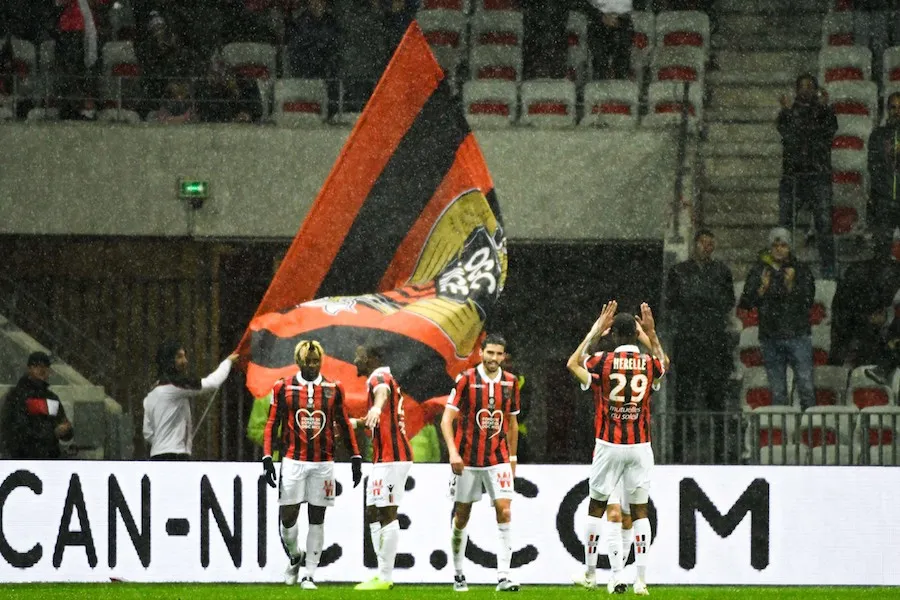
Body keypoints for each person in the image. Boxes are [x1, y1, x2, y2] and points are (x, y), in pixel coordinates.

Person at [567, 301, 667, 596]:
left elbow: (573, 363)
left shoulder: (601, 361)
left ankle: (589, 573)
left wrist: (595, 331)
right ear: (636, 335)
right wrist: (651, 334)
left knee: (596, 507)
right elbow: (664, 365)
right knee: (639, 512)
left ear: (613, 336)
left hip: (609, 443)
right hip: (640, 445)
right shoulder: (649, 364)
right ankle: (641, 581)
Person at [261, 340, 363, 589]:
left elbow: (344, 423)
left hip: (323, 462)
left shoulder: (333, 388)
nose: (312, 365)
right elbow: (272, 422)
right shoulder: (283, 387)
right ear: (299, 361)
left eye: (316, 360)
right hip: (293, 461)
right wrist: (267, 457)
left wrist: (356, 457)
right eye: (308, 360)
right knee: (288, 517)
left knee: (317, 517)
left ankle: (309, 574)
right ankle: (295, 556)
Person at [440, 333, 521, 593]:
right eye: (490, 353)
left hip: (497, 459)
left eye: (499, 354)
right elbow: (446, 420)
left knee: (505, 511)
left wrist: (513, 458)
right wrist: (453, 453)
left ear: (503, 357)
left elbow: (512, 423)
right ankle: (458, 573)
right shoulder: (465, 380)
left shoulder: (510, 383)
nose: (494, 359)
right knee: (462, 517)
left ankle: (504, 576)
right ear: (481, 353)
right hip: (467, 460)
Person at [663, 228, 735, 463]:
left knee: (716, 399)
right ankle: (678, 453)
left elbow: (726, 301)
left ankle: (721, 453)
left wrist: (697, 298)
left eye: (710, 243)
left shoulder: (721, 271)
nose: (707, 247)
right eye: (703, 242)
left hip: (714, 342)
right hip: (688, 341)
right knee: (684, 399)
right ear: (695, 244)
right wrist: (703, 298)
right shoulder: (680, 271)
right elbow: (673, 300)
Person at [353, 342, 413, 591]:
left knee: (387, 512)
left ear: (372, 358)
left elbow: (382, 393)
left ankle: (385, 576)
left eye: (359, 356)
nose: (355, 360)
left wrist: (376, 407)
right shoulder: (383, 376)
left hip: (393, 456)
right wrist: (353, 424)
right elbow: (377, 420)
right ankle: (381, 572)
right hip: (383, 457)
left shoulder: (379, 377)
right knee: (372, 511)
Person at [738, 227, 816, 410]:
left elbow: (808, 300)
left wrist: (791, 286)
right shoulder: (759, 270)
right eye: (775, 245)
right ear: (770, 247)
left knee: (806, 388)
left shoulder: (801, 270)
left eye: (783, 245)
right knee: (778, 392)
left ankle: (810, 434)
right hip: (770, 337)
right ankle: (781, 435)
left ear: (790, 247)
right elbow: (746, 303)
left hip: (798, 335)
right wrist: (762, 289)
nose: (779, 249)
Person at [776, 73, 838, 278]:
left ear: (815, 89)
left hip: (818, 176)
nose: (805, 89)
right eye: (801, 86)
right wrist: (786, 111)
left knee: (824, 224)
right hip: (793, 176)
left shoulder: (824, 112)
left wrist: (823, 108)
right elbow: (786, 132)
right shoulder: (788, 112)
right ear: (796, 90)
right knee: (785, 224)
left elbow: (829, 130)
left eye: (810, 86)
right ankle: (781, 267)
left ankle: (828, 272)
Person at [142, 341, 237, 460]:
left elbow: (148, 433)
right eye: (179, 357)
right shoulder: (175, 386)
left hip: (156, 455)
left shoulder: (152, 393)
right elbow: (212, 383)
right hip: (176, 455)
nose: (185, 361)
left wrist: (163, 442)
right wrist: (228, 362)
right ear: (169, 360)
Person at [1, 351, 73, 459]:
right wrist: (52, 433)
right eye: (37, 366)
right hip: (22, 458)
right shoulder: (16, 396)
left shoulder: (51, 398)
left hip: (49, 458)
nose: (42, 370)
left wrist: (65, 431)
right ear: (29, 369)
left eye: (45, 367)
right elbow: (18, 430)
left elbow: (62, 424)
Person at [867, 91, 900, 255]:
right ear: (888, 110)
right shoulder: (878, 135)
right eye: (893, 107)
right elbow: (873, 167)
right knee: (881, 249)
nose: (897, 112)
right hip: (884, 202)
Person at [584, 0, 634, 80]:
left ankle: (619, 87)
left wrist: (620, 19)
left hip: (623, 22)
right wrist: (601, 17)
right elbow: (582, 4)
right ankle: (600, 88)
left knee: (621, 65)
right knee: (600, 64)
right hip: (597, 24)